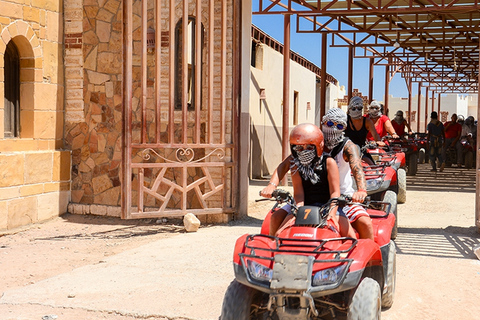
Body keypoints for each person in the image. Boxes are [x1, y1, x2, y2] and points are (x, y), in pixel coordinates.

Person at [261, 110, 374, 240]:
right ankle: (273, 252)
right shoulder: (309, 141)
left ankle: (370, 258)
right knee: (275, 218)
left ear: (345, 128)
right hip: (307, 199)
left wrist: (361, 190)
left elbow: (357, 168)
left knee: (364, 224)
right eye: (329, 123)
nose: (332, 129)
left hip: (342, 197)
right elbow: (286, 167)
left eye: (339, 126)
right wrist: (272, 185)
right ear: (322, 123)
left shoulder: (346, 147)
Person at [344, 96, 385, 164]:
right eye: (354, 108)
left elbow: (375, 134)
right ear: (350, 108)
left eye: (359, 108)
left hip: (361, 151)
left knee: (372, 166)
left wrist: (378, 141)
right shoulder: (345, 120)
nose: (356, 111)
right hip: (346, 151)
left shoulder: (367, 121)